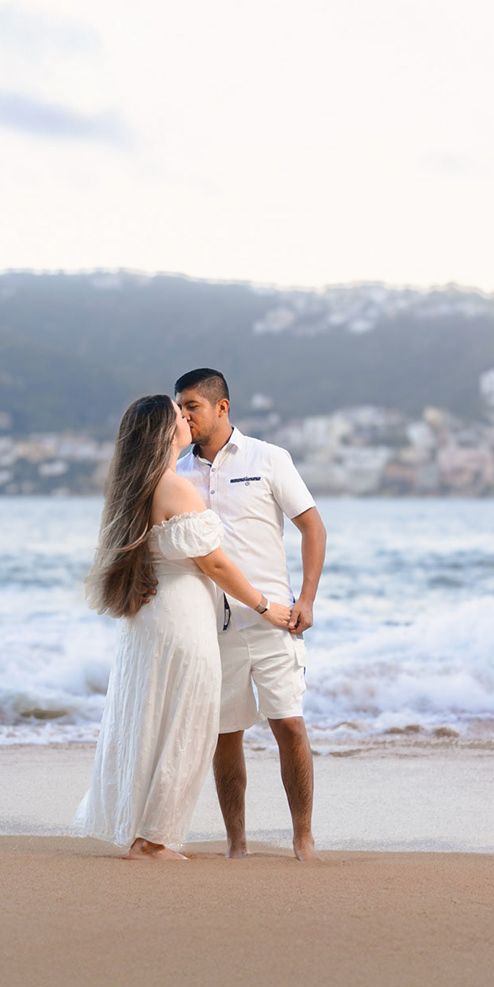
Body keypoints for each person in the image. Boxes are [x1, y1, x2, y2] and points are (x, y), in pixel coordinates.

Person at [76, 394, 292, 860]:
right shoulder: (174, 487)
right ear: (164, 431)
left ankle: (140, 832)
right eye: (179, 414)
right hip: (180, 621)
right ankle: (153, 840)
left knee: (149, 718)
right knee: (186, 724)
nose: (187, 418)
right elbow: (213, 562)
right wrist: (265, 605)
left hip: (148, 622)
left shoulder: (133, 486)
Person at [174, 368, 327, 862]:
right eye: (179, 407)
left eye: (191, 406)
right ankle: (236, 844)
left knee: (289, 724)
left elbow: (312, 527)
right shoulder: (179, 472)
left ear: (222, 407)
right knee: (225, 734)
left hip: (272, 617)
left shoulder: (269, 458)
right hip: (210, 624)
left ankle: (302, 837)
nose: (183, 416)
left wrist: (306, 599)